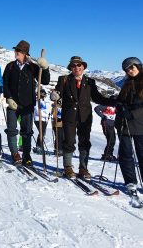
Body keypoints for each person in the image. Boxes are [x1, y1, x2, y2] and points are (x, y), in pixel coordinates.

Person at [50, 56, 116, 179]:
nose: (76, 68)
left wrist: (114, 102)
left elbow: (97, 98)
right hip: (69, 115)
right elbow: (57, 93)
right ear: (70, 68)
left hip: (85, 116)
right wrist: (55, 95)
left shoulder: (90, 81)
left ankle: (83, 168)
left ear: (83, 67)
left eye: (79, 65)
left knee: (85, 142)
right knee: (69, 141)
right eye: (73, 66)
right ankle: (68, 167)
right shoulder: (63, 79)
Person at [3, 40, 50, 166]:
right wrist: (8, 97)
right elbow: (5, 84)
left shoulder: (32, 67)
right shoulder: (10, 66)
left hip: (27, 105)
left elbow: (45, 80)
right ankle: (14, 153)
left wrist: (45, 68)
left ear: (25, 53)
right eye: (16, 50)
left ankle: (27, 155)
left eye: (19, 51)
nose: (16, 52)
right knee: (12, 130)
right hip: (12, 104)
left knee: (27, 131)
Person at [115, 57, 143, 194]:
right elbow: (121, 101)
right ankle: (130, 182)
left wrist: (133, 113)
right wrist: (120, 105)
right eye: (127, 69)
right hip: (124, 125)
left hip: (140, 125)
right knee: (125, 155)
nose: (130, 70)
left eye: (132, 67)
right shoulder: (126, 83)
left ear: (138, 66)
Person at [33, 88, 51, 154]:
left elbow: (46, 110)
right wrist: (45, 114)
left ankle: (40, 146)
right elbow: (38, 111)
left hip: (43, 119)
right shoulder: (37, 102)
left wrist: (48, 114)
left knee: (43, 133)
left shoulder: (44, 102)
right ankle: (39, 146)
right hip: (38, 119)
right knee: (42, 132)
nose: (43, 96)